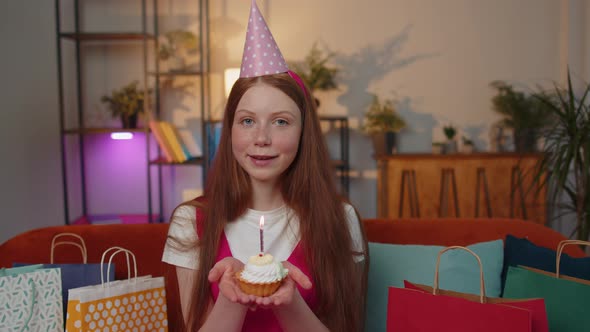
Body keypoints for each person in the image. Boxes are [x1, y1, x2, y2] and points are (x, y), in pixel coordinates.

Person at [162, 1, 368, 331]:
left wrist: (289, 302)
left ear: (304, 133)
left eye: (281, 122)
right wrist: (232, 298)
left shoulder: (340, 221)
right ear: (230, 129)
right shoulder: (190, 223)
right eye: (247, 121)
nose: (261, 138)